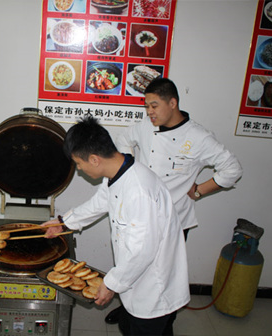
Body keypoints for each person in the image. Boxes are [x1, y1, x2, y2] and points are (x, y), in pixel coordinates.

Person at [105, 77, 243, 324]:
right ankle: (128, 308)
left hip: (174, 222)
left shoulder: (199, 137)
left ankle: (164, 321)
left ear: (173, 103)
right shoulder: (146, 126)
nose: (149, 112)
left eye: (154, 106)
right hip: (138, 216)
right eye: (146, 106)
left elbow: (232, 169)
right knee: (131, 264)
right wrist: (131, 168)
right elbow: (123, 139)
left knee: (163, 278)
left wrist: (200, 190)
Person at [44, 117, 190, 335]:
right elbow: (99, 203)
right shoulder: (118, 172)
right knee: (128, 325)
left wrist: (111, 284)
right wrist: (64, 223)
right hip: (136, 281)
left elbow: (142, 251)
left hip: (153, 289)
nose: (79, 170)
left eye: (78, 164)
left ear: (94, 159)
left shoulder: (139, 191)